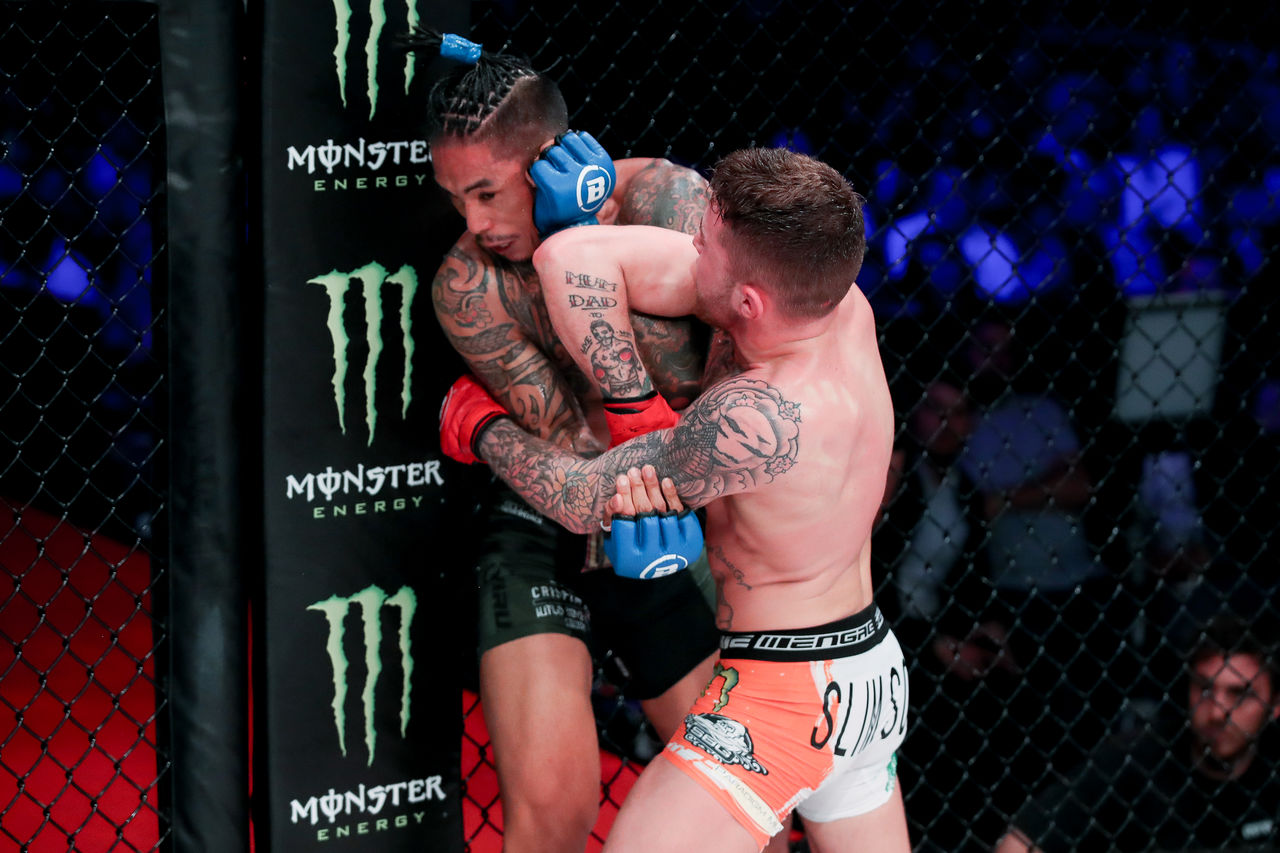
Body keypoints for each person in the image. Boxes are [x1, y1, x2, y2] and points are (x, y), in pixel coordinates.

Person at [440, 147, 910, 853]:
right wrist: (634, 402)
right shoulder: (841, 306)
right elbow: (571, 257)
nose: (691, 243)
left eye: (706, 243)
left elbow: (580, 497)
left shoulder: (754, 419)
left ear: (748, 301)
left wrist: (481, 427)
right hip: (870, 674)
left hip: (781, 695)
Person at [410, 28, 720, 853]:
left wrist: (584, 252)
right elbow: (576, 468)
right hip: (545, 529)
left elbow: (706, 390)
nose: (474, 223)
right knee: (551, 815)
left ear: (552, 161)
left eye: (486, 192)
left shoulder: (670, 202)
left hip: (677, 525)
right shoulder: (467, 284)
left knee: (739, 809)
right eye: (456, 198)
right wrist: (562, 264)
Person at [995, 614, 1280, 852]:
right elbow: (1017, 844)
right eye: (1204, 689)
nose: (1217, 712)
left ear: (1275, 705)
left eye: (1240, 695)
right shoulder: (1138, 757)